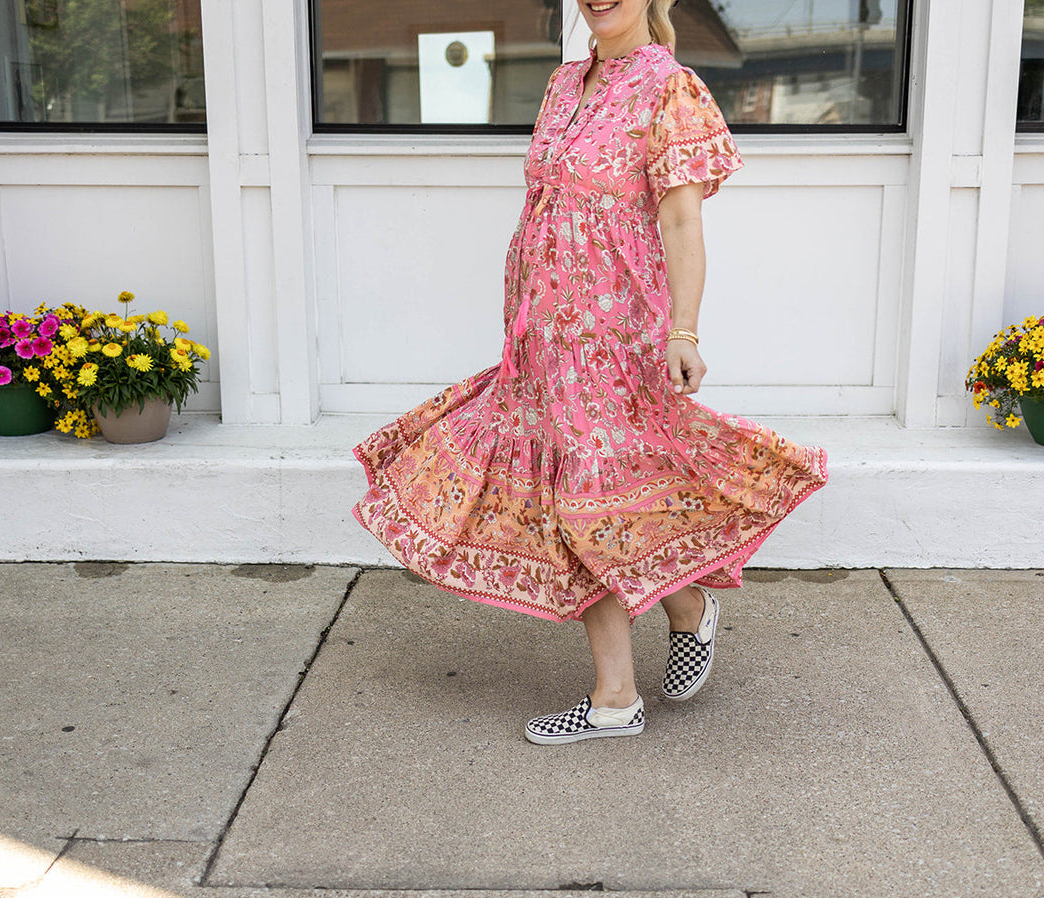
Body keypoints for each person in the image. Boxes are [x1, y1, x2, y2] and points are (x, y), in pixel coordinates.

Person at [353, 0, 829, 745]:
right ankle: (674, 624)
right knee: (573, 500)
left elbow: (679, 221)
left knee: (591, 502)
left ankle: (623, 686)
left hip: (616, 341)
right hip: (539, 342)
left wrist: (683, 329)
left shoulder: (671, 87)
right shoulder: (561, 83)